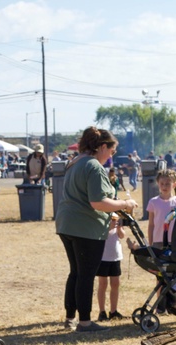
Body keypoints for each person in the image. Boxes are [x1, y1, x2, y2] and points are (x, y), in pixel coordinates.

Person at [55, 126, 137, 333]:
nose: (112, 154)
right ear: (102, 146)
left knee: (76, 272)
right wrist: (124, 204)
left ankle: (70, 317)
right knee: (86, 275)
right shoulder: (93, 166)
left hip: (67, 224)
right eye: (111, 150)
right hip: (85, 228)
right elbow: (98, 202)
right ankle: (84, 322)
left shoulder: (74, 162)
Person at [145, 168, 176, 247]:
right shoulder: (153, 202)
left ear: (174, 185)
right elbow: (151, 224)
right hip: (158, 241)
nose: (164, 186)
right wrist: (150, 243)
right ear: (158, 184)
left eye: (168, 184)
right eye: (162, 183)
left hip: (175, 241)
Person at [96, 213, 125, 321]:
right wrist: (109, 227)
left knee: (115, 283)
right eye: (113, 220)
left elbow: (122, 236)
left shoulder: (117, 218)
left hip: (115, 257)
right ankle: (102, 311)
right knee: (103, 284)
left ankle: (113, 311)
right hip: (103, 257)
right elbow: (98, 235)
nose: (114, 221)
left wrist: (119, 228)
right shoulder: (101, 217)